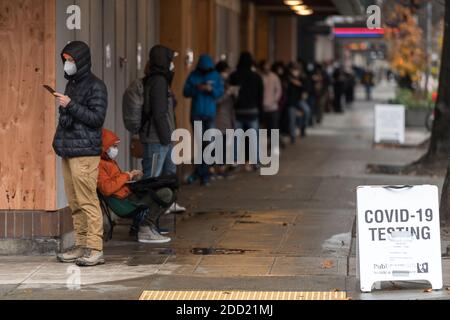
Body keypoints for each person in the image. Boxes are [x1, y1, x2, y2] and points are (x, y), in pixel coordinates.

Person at [53, 41, 108, 267]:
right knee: (75, 201)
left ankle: (95, 248)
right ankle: (81, 244)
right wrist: (65, 108)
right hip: (69, 149)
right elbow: (72, 116)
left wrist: (71, 105)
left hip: (85, 152)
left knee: (87, 201)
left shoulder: (97, 86)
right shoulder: (72, 85)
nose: (68, 64)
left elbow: (96, 119)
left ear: (82, 61)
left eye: (72, 60)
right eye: (65, 60)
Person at [98, 129, 173, 244]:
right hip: (125, 203)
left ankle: (147, 227)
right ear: (105, 146)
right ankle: (145, 228)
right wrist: (127, 176)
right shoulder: (101, 164)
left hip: (127, 196)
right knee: (165, 193)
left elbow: (115, 181)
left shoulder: (108, 162)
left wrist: (130, 176)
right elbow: (107, 188)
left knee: (164, 188)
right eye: (113, 146)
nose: (115, 150)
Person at [139, 49, 186, 214]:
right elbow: (158, 113)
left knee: (168, 174)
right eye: (170, 60)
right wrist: (167, 138)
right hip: (156, 139)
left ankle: (165, 205)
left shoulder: (162, 80)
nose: (172, 64)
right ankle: (144, 220)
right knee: (152, 179)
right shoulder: (158, 81)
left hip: (163, 137)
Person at [183, 54, 224, 186]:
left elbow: (220, 92)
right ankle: (203, 173)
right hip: (197, 114)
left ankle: (201, 172)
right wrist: (196, 88)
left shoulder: (215, 75)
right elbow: (185, 91)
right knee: (201, 144)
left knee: (208, 144)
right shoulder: (193, 75)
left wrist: (211, 89)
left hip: (210, 115)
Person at [229, 52, 264, 170]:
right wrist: (260, 111)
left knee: (236, 137)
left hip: (238, 110)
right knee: (254, 137)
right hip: (252, 111)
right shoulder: (257, 77)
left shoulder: (234, 76)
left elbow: (231, 94)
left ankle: (235, 160)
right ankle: (255, 161)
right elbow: (260, 96)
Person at [214, 60, 237, 178]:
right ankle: (219, 168)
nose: (227, 74)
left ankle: (221, 167)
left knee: (223, 143)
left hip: (227, 116)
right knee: (219, 143)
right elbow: (216, 100)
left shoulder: (226, 82)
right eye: (225, 71)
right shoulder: (217, 83)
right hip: (219, 117)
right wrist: (228, 93)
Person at [259, 60, 282, 149]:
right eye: (265, 66)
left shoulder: (274, 77)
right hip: (262, 107)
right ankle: (263, 147)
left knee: (274, 128)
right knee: (263, 129)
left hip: (273, 107)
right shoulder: (260, 77)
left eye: (268, 66)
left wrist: (274, 100)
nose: (267, 68)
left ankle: (275, 148)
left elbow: (279, 90)